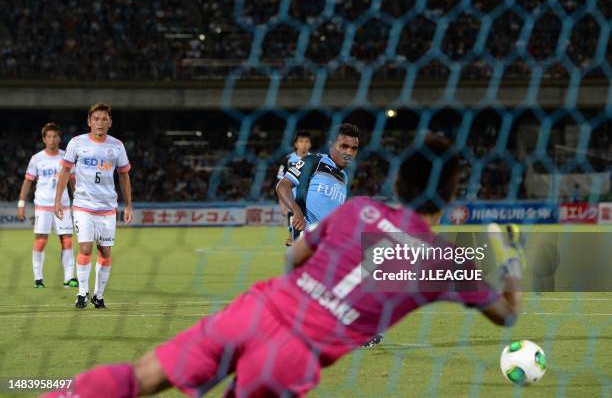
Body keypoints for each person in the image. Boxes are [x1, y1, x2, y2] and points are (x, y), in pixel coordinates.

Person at [43, 134, 522, 398]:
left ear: (399, 181)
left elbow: (294, 256)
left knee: (140, 379)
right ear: (452, 194)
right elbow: (507, 315)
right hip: (294, 354)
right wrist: (513, 269)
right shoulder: (444, 258)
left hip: (255, 310)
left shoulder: (356, 211)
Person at [54, 102, 132, 310]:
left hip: (107, 208)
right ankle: (81, 292)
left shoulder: (117, 146)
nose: (100, 123)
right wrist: (58, 200)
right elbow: (64, 172)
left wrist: (129, 205)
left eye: (104, 119)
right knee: (86, 247)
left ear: (110, 122)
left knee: (105, 251)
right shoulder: (77, 143)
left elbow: (124, 175)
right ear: (89, 121)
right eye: (96, 119)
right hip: (83, 205)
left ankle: (98, 295)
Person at [17, 123, 77, 289]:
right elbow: (28, 181)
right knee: (41, 241)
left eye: (55, 136)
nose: (52, 139)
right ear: (44, 139)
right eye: (49, 136)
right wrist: (21, 203)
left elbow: (73, 181)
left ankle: (69, 279)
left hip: (63, 206)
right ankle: (38, 279)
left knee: (67, 240)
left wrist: (78, 200)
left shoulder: (66, 157)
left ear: (59, 138)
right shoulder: (37, 159)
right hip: (43, 206)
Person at [276, 123, 359, 242]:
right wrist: (297, 211)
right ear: (331, 145)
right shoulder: (313, 161)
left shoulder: (344, 177)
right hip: (307, 239)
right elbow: (283, 185)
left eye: (354, 148)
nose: (349, 152)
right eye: (344, 146)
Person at [276, 130, 312, 246]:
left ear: (310, 144)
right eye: (301, 141)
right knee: (294, 234)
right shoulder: (287, 160)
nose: (304, 144)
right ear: (296, 144)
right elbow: (280, 182)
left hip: (310, 202)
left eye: (307, 142)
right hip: (293, 202)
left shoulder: (315, 160)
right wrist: (282, 203)